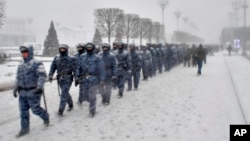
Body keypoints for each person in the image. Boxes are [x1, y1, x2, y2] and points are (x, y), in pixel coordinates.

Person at [13, 45, 49, 137]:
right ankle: (24, 129)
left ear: (30, 52)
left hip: (33, 91)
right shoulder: (20, 64)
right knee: (23, 112)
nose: (24, 54)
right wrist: (16, 88)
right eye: (22, 53)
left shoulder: (37, 63)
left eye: (26, 52)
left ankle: (45, 116)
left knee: (35, 110)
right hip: (22, 92)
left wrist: (40, 87)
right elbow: (18, 78)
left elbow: (42, 76)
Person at [76, 42, 105, 117]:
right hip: (84, 79)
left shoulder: (97, 57)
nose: (89, 49)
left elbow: (102, 69)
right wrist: (77, 76)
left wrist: (102, 79)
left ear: (93, 48)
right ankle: (91, 103)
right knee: (85, 95)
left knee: (92, 96)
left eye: (90, 48)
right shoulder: (82, 56)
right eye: (87, 47)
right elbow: (78, 67)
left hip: (94, 79)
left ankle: (92, 111)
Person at [48, 44, 75, 116]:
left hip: (68, 77)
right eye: (61, 49)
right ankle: (70, 104)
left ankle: (60, 110)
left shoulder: (71, 58)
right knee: (65, 92)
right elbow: (52, 67)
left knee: (64, 93)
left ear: (66, 50)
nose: (62, 50)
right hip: (60, 78)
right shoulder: (57, 58)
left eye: (63, 49)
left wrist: (77, 77)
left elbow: (75, 68)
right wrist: (50, 75)